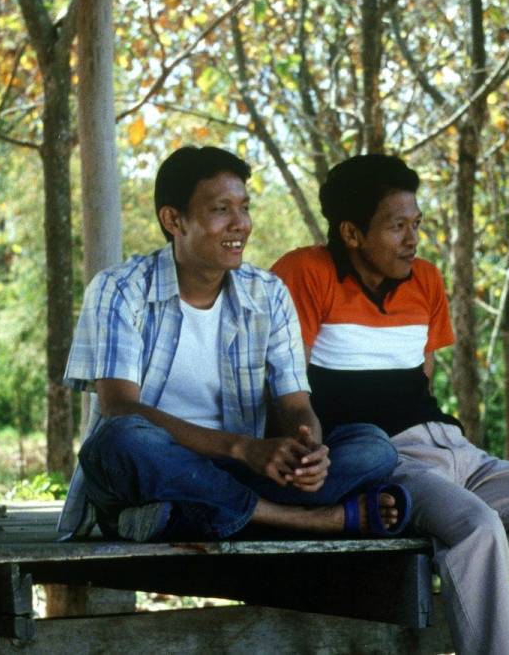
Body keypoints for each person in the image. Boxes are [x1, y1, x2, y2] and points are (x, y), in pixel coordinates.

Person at [271, 154, 509, 654]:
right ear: (351, 232)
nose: (412, 239)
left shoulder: (425, 279)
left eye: (416, 224)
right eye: (397, 227)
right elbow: (287, 389)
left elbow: (422, 374)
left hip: (458, 450)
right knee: (478, 531)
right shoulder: (305, 272)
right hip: (386, 462)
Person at [55, 146, 409, 543]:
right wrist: (243, 448)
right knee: (122, 441)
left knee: (374, 447)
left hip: (239, 473)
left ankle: (183, 516)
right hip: (152, 469)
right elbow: (119, 408)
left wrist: (307, 447)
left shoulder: (268, 294)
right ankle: (308, 521)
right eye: (221, 210)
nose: (240, 224)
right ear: (174, 220)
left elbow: (295, 404)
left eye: (244, 208)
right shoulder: (120, 288)